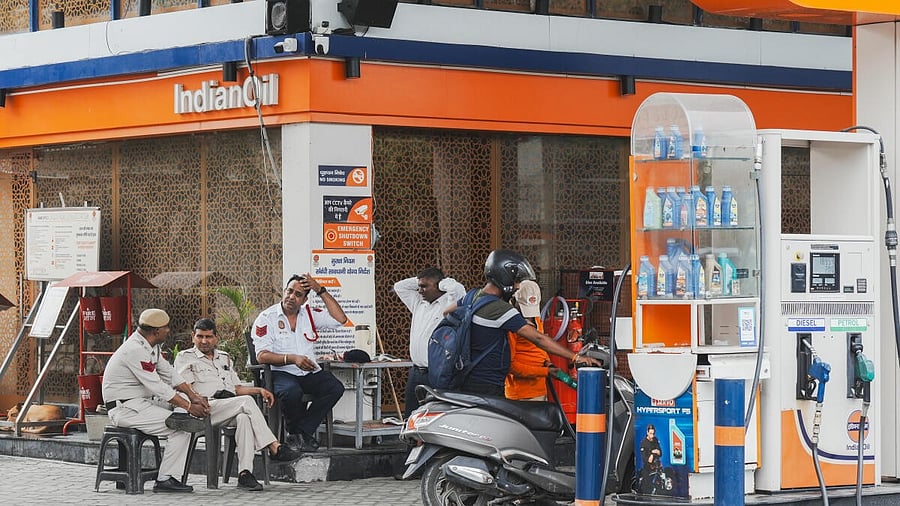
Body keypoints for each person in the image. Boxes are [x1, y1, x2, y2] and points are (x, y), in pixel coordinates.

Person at [174, 318, 302, 491]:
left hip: (228, 406)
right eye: (200, 336)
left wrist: (259, 391)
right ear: (193, 337)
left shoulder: (224, 358)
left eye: (208, 337)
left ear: (216, 338)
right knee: (246, 403)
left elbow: (236, 388)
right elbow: (186, 388)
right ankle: (275, 447)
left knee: (244, 418)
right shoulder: (185, 358)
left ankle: (244, 474)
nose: (204, 341)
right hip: (203, 409)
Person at [447, 249, 599, 396]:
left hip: (467, 379)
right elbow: (538, 338)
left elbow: (447, 312)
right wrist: (576, 357)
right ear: (504, 276)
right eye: (516, 281)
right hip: (488, 385)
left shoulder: (471, 296)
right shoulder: (501, 310)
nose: (517, 286)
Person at [101, 308, 211, 494]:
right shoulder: (134, 350)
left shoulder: (151, 346)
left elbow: (169, 373)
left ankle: (169, 476)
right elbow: (157, 386)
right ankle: (166, 479)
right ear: (156, 331)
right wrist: (189, 407)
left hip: (141, 404)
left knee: (183, 416)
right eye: (166, 328)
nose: (168, 330)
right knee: (182, 426)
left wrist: (193, 396)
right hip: (125, 409)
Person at [252, 274, 348, 452]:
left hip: (307, 372)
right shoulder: (267, 317)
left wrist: (320, 290)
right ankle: (298, 434)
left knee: (335, 388)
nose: (291, 297)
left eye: (298, 295)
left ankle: (300, 433)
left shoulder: (309, 314)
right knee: (291, 391)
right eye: (289, 291)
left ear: (304, 300)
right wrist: (292, 359)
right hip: (279, 372)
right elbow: (262, 356)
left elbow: (340, 319)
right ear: (283, 291)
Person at [393, 267, 465, 419]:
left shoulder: (448, 303)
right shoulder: (419, 303)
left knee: (436, 416)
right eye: (419, 287)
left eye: (425, 287)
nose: (420, 290)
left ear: (439, 286)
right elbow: (399, 286)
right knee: (411, 416)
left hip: (437, 372)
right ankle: (412, 444)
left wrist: (442, 282)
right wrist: (422, 279)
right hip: (416, 371)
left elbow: (458, 289)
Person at [505, 279, 557, 401]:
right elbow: (511, 366)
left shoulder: (537, 319)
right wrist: (545, 372)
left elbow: (540, 346)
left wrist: (547, 362)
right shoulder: (511, 325)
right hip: (520, 394)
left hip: (540, 389)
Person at [639, 424, 663, 494]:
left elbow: (660, 452)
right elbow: (646, 459)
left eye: (653, 433)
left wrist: (654, 452)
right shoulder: (644, 443)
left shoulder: (655, 440)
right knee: (647, 485)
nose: (652, 435)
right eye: (650, 433)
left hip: (657, 465)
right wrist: (652, 453)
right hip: (648, 467)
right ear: (647, 433)